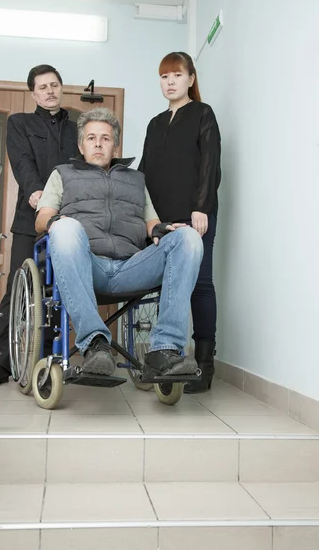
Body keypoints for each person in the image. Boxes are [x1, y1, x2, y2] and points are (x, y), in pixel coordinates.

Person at [35, 107, 203, 377]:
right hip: (86, 266)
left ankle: (165, 350)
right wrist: (59, 224)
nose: (98, 144)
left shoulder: (136, 179)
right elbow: (42, 219)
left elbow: (151, 223)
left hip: (131, 267)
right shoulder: (62, 173)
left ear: (115, 147)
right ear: (81, 145)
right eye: (91, 138)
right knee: (63, 227)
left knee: (189, 238)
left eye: (105, 138)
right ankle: (94, 343)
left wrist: (159, 228)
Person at [0, 64, 79, 388]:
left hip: (68, 220)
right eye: (43, 87)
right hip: (30, 219)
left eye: (54, 85)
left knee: (57, 291)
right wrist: (38, 194)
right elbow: (22, 162)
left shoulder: (77, 127)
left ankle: (47, 364)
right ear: (33, 93)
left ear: (61, 88)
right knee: (18, 289)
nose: (50, 91)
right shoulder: (20, 123)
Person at [138, 52, 221, 393]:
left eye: (176, 75)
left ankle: (203, 365)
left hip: (195, 216)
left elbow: (210, 163)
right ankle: (167, 358)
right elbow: (144, 174)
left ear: (190, 78)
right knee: (166, 288)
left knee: (199, 285)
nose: (169, 81)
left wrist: (200, 207)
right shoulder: (155, 124)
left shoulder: (203, 114)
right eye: (164, 76)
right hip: (162, 220)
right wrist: (146, 218)